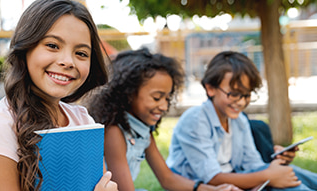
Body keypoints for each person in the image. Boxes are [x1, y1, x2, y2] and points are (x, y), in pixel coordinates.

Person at [0, 0, 118, 190]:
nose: (68, 61)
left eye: (81, 53)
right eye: (53, 45)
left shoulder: (83, 121)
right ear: (26, 47)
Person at [88, 48, 240, 191]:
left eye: (167, 98)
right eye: (156, 98)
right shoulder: (114, 132)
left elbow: (167, 178)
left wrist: (212, 190)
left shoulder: (143, 130)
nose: (163, 106)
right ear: (128, 94)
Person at [166, 51, 317, 191]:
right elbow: (211, 178)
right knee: (288, 186)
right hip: (206, 187)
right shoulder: (195, 121)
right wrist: (269, 176)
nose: (240, 102)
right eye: (234, 94)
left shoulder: (239, 121)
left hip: (235, 182)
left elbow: (254, 165)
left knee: (291, 173)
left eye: (246, 95)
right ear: (210, 88)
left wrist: (275, 167)